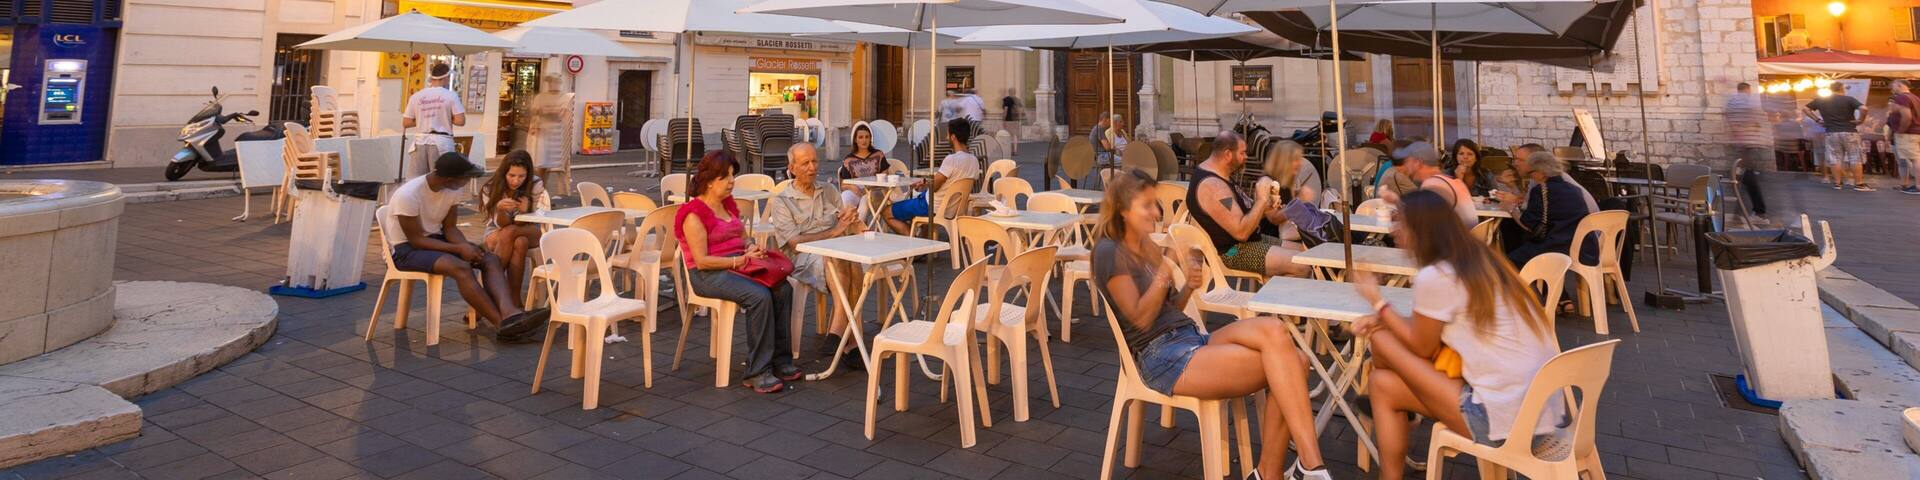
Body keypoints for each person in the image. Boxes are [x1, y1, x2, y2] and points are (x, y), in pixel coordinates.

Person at [1093, 170, 1331, 480]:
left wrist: (1187, 288)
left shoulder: (1143, 245)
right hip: (1162, 358)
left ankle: (1297, 468)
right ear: (1123, 210)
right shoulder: (1108, 252)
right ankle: (1298, 469)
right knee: (1293, 364)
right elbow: (1139, 317)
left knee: (1276, 330)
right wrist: (1167, 267)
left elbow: (1168, 309)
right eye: (1147, 205)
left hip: (1190, 336)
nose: (1156, 211)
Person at [1349, 190, 1569, 480]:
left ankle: (1403, 430)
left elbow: (1421, 347)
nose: (1392, 230)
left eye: (1398, 222)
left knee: (1380, 341)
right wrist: (1385, 318)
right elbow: (1431, 332)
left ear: (1420, 229)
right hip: (1545, 414)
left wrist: (1377, 302)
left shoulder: (1438, 275)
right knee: (1382, 383)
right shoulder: (1483, 259)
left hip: (1504, 420)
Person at [676, 150, 801, 393]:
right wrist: (739, 261)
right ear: (710, 181)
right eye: (726, 177)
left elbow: (742, 237)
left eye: (732, 175)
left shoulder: (727, 206)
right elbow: (701, 261)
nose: (732, 181)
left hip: (737, 265)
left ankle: (780, 360)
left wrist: (750, 247)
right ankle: (757, 371)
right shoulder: (693, 214)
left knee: (782, 288)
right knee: (759, 296)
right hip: (707, 275)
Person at [386, 153, 537, 341]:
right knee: (461, 267)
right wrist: (459, 249)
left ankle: (510, 314)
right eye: (464, 178)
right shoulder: (408, 195)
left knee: (488, 258)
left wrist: (465, 246)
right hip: (406, 250)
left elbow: (450, 228)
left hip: (436, 239)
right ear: (450, 179)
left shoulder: (452, 190)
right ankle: (502, 325)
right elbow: (416, 240)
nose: (467, 182)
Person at [767, 144, 867, 371]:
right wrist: (834, 231)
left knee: (847, 257)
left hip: (834, 253)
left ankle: (842, 337)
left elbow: (846, 227)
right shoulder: (783, 201)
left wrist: (854, 222)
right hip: (802, 259)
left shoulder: (829, 191)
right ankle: (848, 341)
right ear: (791, 168)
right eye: (805, 163)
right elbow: (794, 243)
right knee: (839, 257)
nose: (812, 167)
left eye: (815, 161)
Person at [1187, 132, 1308, 278]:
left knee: (1307, 253)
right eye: (1242, 153)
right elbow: (1241, 233)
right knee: (1303, 265)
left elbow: (1240, 214)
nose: (1246, 157)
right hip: (1235, 251)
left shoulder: (1219, 174)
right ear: (1227, 154)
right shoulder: (1213, 187)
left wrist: (1266, 207)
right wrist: (1261, 200)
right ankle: (1273, 300)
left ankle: (1277, 293)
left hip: (1252, 240)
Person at [888, 117, 981, 235]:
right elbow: (951, 182)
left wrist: (926, 184)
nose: (947, 138)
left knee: (887, 212)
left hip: (932, 206)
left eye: (947, 135)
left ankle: (915, 242)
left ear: (953, 137)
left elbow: (935, 186)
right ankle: (920, 236)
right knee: (912, 204)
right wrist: (925, 182)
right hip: (953, 208)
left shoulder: (952, 159)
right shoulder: (974, 161)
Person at [480, 151, 550, 307]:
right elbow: (502, 225)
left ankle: (489, 294)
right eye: (511, 175)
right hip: (497, 231)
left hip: (530, 228)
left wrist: (525, 211)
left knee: (513, 233)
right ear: (504, 172)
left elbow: (532, 220)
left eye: (521, 176)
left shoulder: (535, 183)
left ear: (528, 174)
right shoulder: (490, 188)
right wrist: (499, 209)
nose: (516, 181)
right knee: (519, 242)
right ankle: (514, 302)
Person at [1503, 153, 1594, 266]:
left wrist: (1511, 209)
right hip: (1585, 249)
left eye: (1531, 173)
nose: (1531, 177)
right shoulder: (1574, 189)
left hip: (1556, 248)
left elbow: (1528, 225)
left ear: (1541, 172)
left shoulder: (1541, 190)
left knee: (1507, 263)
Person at [1382, 141, 1477, 226]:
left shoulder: (1433, 184)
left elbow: (1419, 219)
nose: (1405, 166)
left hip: (1453, 243)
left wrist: (1395, 201)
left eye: (1407, 161)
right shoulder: (1449, 180)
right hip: (1464, 239)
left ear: (1417, 162)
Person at [402, 63, 466, 179]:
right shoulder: (451, 96)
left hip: (420, 141)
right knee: (441, 179)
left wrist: (424, 118)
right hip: (441, 142)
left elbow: (406, 122)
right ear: (446, 77)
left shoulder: (416, 96)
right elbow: (460, 121)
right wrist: (442, 116)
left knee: (416, 182)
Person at [1804, 83, 1872, 191]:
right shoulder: (1849, 99)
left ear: (1830, 89)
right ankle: (1859, 184)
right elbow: (1864, 108)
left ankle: (1837, 183)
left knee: (1835, 158)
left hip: (1831, 132)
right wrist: (1861, 120)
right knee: (1854, 157)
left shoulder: (1821, 100)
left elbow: (1805, 109)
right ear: (1842, 89)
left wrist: (1817, 120)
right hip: (1849, 131)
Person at [1496, 144, 1599, 214]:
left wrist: (1512, 206)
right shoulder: (1538, 177)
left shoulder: (1553, 182)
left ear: (1535, 161)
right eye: (1515, 159)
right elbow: (1527, 203)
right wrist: (1512, 187)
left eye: (1520, 160)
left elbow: (1529, 217)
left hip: (1581, 237)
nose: (1515, 163)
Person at [527, 74, 574, 190]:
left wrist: (547, 112)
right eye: (553, 81)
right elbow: (534, 111)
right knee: (541, 166)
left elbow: (563, 114)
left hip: (556, 135)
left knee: (549, 168)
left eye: (557, 81)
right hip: (542, 135)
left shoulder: (565, 97)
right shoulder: (540, 97)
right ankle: (539, 191)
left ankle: (542, 191)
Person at [1727, 82, 1773, 172]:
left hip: (1738, 131)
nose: (1750, 92)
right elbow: (1752, 113)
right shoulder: (1747, 100)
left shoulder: (1732, 101)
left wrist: (1733, 128)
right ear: (1746, 89)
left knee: (1742, 152)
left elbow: (1728, 115)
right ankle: (1748, 171)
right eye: (1749, 90)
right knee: (1749, 152)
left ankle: (1740, 170)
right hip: (1747, 132)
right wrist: (1756, 125)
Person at [840, 123, 889, 204]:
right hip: (857, 190)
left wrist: (871, 187)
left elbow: (885, 175)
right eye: (860, 137)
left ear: (870, 139)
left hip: (876, 190)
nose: (864, 140)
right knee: (845, 197)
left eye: (867, 137)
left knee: (865, 200)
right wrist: (852, 187)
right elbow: (843, 184)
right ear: (855, 140)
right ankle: (845, 216)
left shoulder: (878, 155)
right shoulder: (848, 160)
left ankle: (859, 217)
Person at [1888, 79, 1920, 194]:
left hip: (1908, 133)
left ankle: (1918, 186)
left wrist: (1901, 131)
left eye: (1893, 86)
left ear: (1900, 85)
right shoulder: (1916, 98)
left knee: (1915, 159)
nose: (1892, 89)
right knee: (1910, 159)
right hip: (1915, 132)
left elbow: (1907, 116)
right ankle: (1905, 184)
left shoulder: (1902, 98)